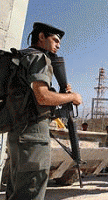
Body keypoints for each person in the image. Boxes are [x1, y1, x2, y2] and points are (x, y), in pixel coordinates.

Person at [5, 22, 82, 200]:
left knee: (16, 191)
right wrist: (72, 97)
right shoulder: (40, 58)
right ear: (41, 37)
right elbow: (42, 97)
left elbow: (32, 98)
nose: (58, 45)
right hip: (33, 138)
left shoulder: (23, 57)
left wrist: (59, 94)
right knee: (31, 192)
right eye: (54, 40)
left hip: (18, 134)